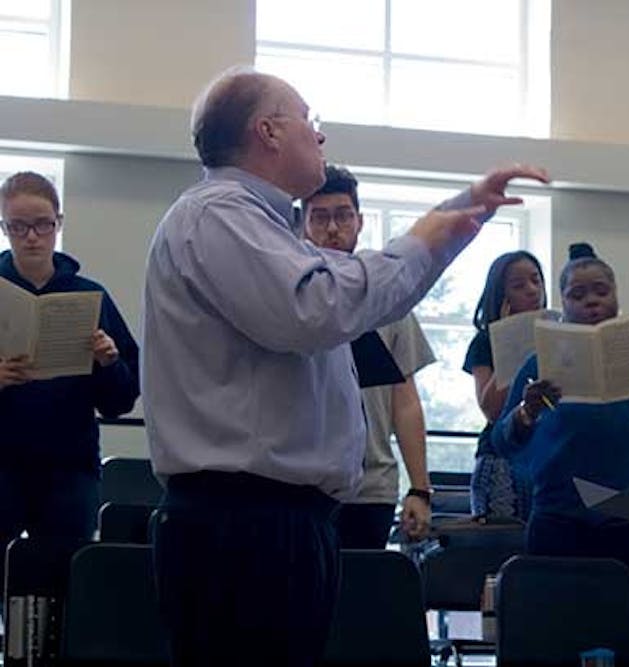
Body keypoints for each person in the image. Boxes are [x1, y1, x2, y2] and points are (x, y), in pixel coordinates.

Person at [141, 65, 549, 667]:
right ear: (270, 132)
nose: (320, 137)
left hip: (277, 521)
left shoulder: (266, 229)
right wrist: (428, 235)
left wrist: (457, 215)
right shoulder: (217, 214)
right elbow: (317, 308)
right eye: (312, 121)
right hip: (242, 524)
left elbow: (347, 299)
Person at [491, 242, 629, 665]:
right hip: (560, 517)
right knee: (559, 633)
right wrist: (527, 410)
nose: (591, 301)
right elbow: (502, 441)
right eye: (578, 294)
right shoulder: (538, 363)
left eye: (601, 291)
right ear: (563, 302)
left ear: (617, 296)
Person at [0, 171, 139, 587]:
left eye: (42, 224)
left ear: (59, 223)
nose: (32, 237)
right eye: (18, 226)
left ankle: (55, 655)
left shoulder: (89, 295)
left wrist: (109, 362)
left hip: (68, 467)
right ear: (4, 227)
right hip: (2, 464)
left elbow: (120, 400)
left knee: (64, 579)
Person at [301, 164, 434, 546]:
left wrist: (420, 489)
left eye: (342, 216)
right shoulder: (289, 290)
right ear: (303, 225)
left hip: (371, 485)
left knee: (363, 595)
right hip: (302, 481)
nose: (332, 229)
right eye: (320, 217)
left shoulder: (385, 293)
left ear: (359, 222)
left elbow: (405, 401)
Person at [463, 250, 547, 519]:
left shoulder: (557, 334)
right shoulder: (484, 342)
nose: (532, 291)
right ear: (502, 296)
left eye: (536, 281)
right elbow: (492, 410)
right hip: (502, 460)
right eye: (519, 286)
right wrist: (514, 341)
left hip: (547, 452)